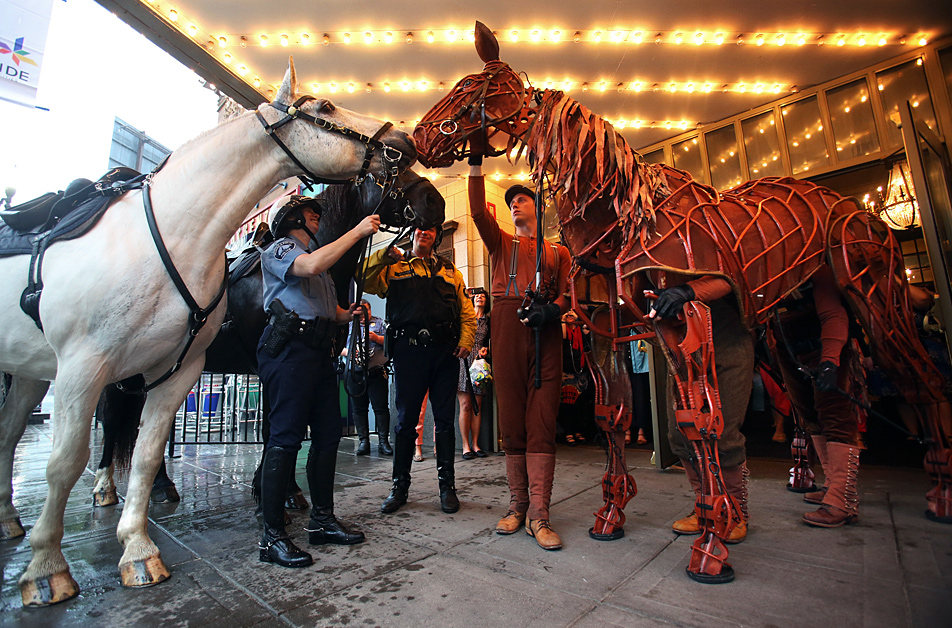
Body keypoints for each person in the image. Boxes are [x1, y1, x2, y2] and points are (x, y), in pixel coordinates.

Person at [256, 195, 378, 568]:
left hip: (319, 353)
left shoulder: (320, 267)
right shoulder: (281, 249)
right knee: (286, 438)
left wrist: (350, 314)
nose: (317, 216)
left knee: (327, 437)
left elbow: (329, 311)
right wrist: (356, 232)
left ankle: (322, 521)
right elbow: (308, 267)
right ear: (291, 218)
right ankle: (272, 536)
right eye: (310, 212)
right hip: (290, 353)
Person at [468, 160, 572, 551]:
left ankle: (539, 516)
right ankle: (518, 506)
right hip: (507, 324)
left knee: (543, 418)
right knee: (511, 419)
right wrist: (475, 164)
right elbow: (478, 210)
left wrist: (554, 310)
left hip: (545, 329)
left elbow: (567, 293)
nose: (515, 204)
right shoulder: (500, 242)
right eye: (511, 201)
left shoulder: (558, 252)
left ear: (538, 206)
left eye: (522, 198)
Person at [362, 226, 477, 514]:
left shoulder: (451, 270)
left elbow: (466, 310)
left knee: (445, 422)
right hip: (408, 353)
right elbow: (363, 278)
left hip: (444, 352)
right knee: (405, 422)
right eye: (420, 228)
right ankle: (399, 487)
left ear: (436, 236)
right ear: (413, 234)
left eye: (430, 229)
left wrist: (466, 340)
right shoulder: (395, 266)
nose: (424, 232)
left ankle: (447, 488)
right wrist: (382, 256)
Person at [648, 276, 752, 544]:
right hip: (685, 352)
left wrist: (688, 291)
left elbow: (729, 278)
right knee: (680, 433)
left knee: (724, 432)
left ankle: (734, 511)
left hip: (727, 346)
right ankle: (706, 505)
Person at [770, 266, 861, 527]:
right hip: (788, 349)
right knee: (810, 414)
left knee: (835, 415)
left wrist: (830, 360)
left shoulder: (814, 267)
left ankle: (842, 499)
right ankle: (833, 486)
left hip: (821, 345)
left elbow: (833, 313)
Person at [344, 299, 393, 456]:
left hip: (376, 371)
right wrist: (349, 353)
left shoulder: (380, 324)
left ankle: (383, 441)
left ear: (370, 310)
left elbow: (391, 343)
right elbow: (338, 346)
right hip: (355, 372)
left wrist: (376, 338)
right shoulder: (348, 325)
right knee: (358, 408)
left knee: (380, 408)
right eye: (360, 312)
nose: (363, 316)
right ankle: (363, 441)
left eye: (365, 311)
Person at [459, 287, 491, 460]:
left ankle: (476, 444)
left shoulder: (488, 321)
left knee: (477, 407)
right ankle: (465, 445)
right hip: (463, 360)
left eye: (483, 296)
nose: (480, 297)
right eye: (477, 295)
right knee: (465, 405)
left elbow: (492, 341)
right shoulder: (464, 318)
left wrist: (486, 349)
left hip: (479, 364)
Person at [558, 310, 592, 446]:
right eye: (567, 312)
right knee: (567, 405)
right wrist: (562, 319)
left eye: (572, 312)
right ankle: (568, 432)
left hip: (581, 372)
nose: (569, 314)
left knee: (581, 404)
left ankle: (578, 430)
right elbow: (562, 336)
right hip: (567, 373)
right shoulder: (563, 329)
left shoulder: (580, 331)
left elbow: (588, 349)